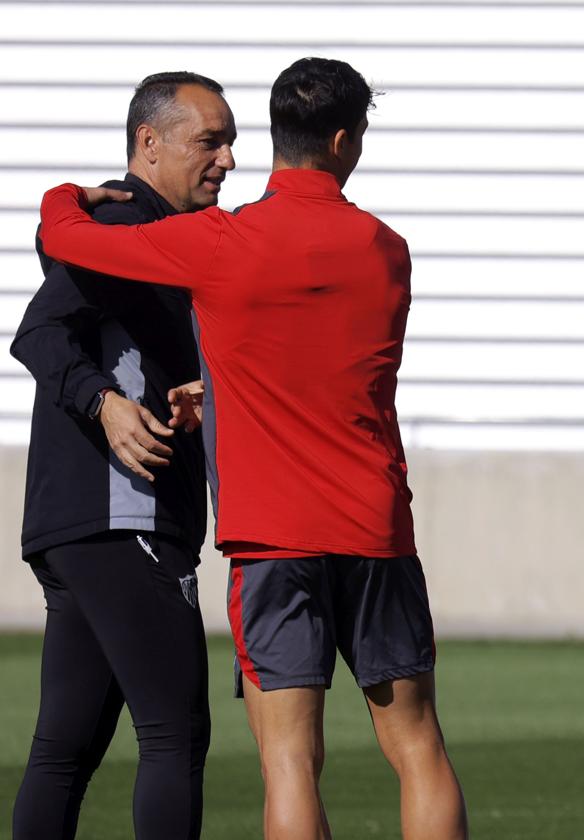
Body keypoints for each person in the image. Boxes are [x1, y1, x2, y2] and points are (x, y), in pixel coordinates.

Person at [36, 57, 468, 840]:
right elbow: (332, 362)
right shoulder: (388, 250)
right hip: (375, 529)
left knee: (290, 763)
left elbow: (65, 236)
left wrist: (64, 195)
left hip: (272, 540)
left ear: (275, 136)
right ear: (343, 140)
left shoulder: (219, 241)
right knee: (417, 747)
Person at [9, 71, 235, 840]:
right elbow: (39, 331)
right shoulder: (126, 223)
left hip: (84, 524)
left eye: (232, 141)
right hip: (119, 516)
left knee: (64, 749)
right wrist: (103, 401)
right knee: (176, 736)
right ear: (150, 143)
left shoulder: (152, 229)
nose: (229, 159)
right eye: (211, 140)